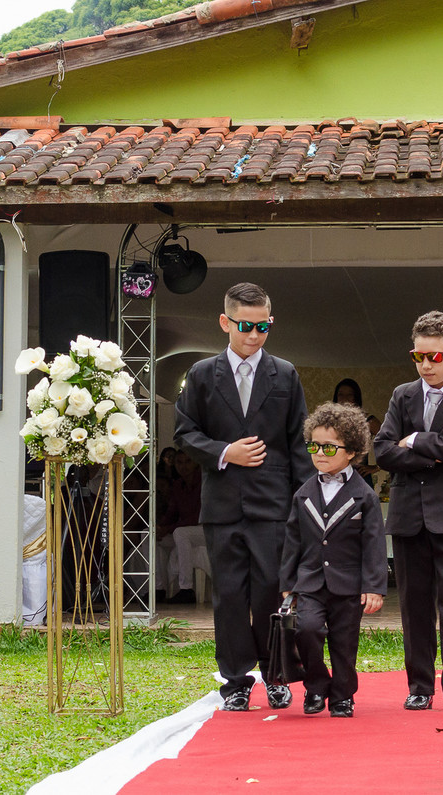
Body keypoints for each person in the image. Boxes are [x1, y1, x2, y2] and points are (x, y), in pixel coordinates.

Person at [174, 282, 315, 712]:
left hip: (273, 504)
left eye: (263, 326)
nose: (254, 335)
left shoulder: (286, 374)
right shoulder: (201, 374)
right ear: (225, 322)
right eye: (245, 326)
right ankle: (235, 681)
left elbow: (297, 444)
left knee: (271, 593)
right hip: (221, 503)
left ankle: (276, 676)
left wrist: (306, 504)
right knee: (230, 594)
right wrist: (224, 452)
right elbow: (184, 433)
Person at [374, 310, 443, 712]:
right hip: (408, 516)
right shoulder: (402, 395)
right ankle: (419, 686)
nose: (425, 365)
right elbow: (382, 451)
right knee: (413, 604)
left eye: (435, 357)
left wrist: (418, 439)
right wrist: (437, 452)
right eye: (418, 356)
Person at [281, 402, 386, 718]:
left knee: (344, 644)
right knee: (307, 631)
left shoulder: (363, 494)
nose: (320, 453)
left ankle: (342, 696)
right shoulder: (303, 493)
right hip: (310, 581)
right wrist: (288, 583)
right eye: (314, 445)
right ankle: (315, 686)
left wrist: (374, 586)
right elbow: (292, 540)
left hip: (349, 583)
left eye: (329, 447)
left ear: (352, 451)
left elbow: (373, 543)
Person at [156, 450, 205, 604]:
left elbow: (198, 516)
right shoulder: (178, 485)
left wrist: (168, 528)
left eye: (188, 461)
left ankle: (186, 589)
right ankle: (158, 589)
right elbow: (172, 511)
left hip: (206, 529)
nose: (184, 466)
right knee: (148, 534)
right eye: (179, 462)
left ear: (196, 462)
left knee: (180, 533)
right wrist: (160, 527)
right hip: (184, 530)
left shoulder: (205, 481)